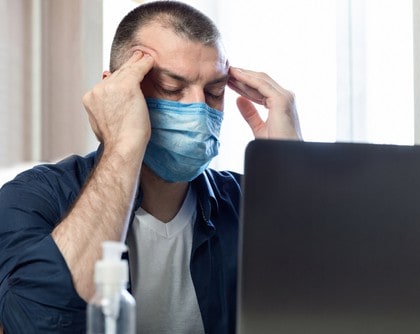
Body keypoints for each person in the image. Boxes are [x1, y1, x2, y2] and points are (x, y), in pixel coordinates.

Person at [0, 1, 301, 333]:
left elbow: (326, 306)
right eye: (172, 89)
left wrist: (289, 170)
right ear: (114, 90)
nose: (199, 110)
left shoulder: (249, 203)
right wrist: (123, 147)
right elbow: (35, 323)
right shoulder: (31, 198)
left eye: (214, 92)